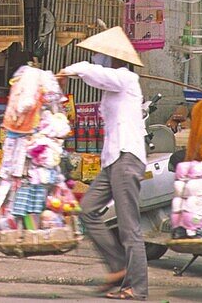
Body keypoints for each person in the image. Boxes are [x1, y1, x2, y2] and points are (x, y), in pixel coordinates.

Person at [57, 27, 147, 301]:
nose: (97, 60)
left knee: (129, 226)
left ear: (112, 58)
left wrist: (71, 70)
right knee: (87, 210)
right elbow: (99, 79)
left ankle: (138, 288)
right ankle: (118, 266)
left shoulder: (126, 79)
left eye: (100, 56)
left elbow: (97, 75)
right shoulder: (112, 86)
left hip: (126, 157)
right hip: (112, 161)